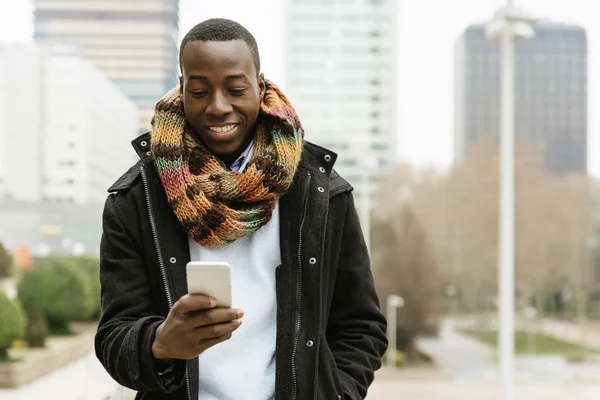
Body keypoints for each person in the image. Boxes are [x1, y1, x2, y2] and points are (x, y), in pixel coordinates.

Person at [95, 18, 387, 400]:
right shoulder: (137, 199)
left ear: (260, 88)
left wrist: (337, 394)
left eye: (235, 89)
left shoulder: (322, 193)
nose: (218, 107)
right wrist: (159, 344)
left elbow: (361, 326)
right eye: (199, 91)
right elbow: (114, 335)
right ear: (182, 90)